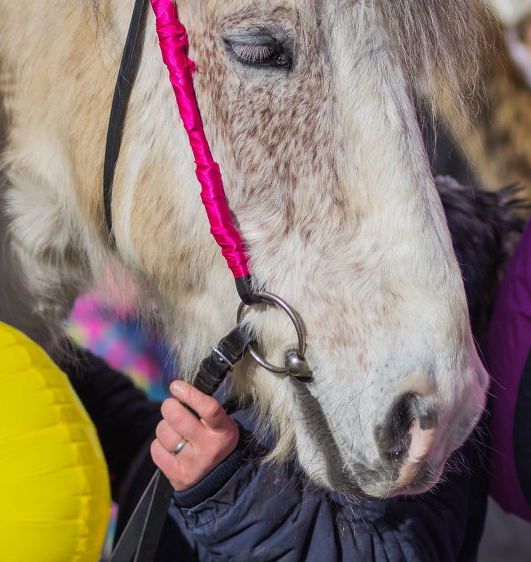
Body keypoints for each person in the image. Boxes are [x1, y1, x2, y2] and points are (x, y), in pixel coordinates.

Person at [71, 178, 518, 561]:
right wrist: (71, 376)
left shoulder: (422, 414)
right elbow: (193, 458)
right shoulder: (316, 342)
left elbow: (383, 553)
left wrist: (226, 488)